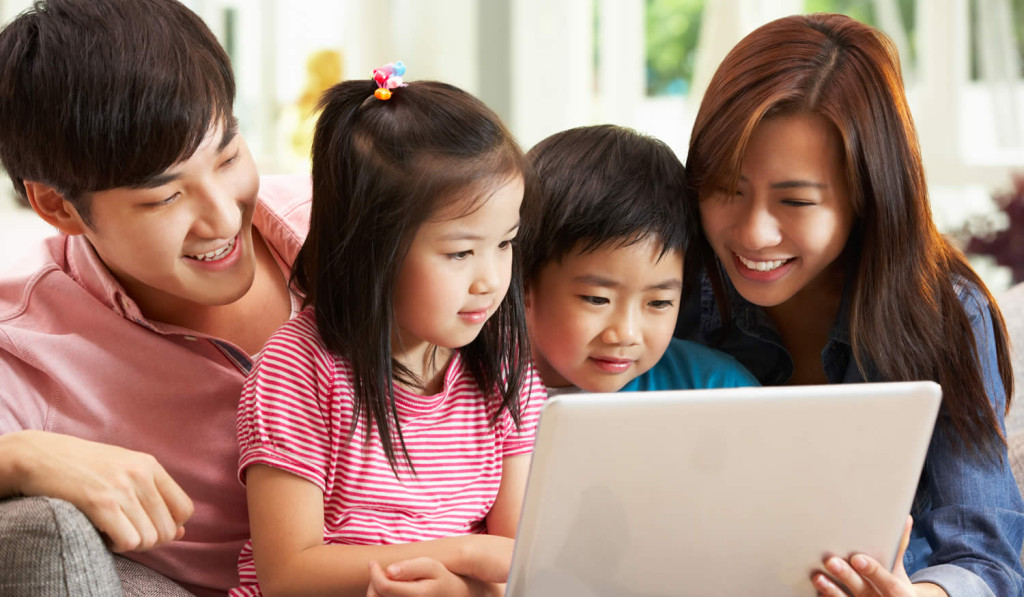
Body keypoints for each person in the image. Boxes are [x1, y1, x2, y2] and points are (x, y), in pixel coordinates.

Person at [675, 13, 1024, 597]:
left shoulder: (945, 313)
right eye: (727, 189)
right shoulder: (667, 293)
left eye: (796, 201)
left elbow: (986, 555)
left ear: (867, 195)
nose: (754, 233)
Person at [0, 1, 310, 594]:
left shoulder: (353, 224)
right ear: (59, 207)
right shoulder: (28, 343)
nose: (223, 218)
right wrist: (18, 456)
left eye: (228, 156)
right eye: (164, 198)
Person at [230, 65, 546, 597]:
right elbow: (288, 574)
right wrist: (460, 553)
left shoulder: (505, 366)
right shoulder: (297, 369)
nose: (490, 280)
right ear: (372, 250)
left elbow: (522, 559)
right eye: (461, 252)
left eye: (506, 242)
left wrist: (459, 588)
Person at [519, 124, 756, 395]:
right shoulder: (466, 392)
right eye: (597, 299)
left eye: (658, 302)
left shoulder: (719, 391)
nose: (626, 334)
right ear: (524, 280)